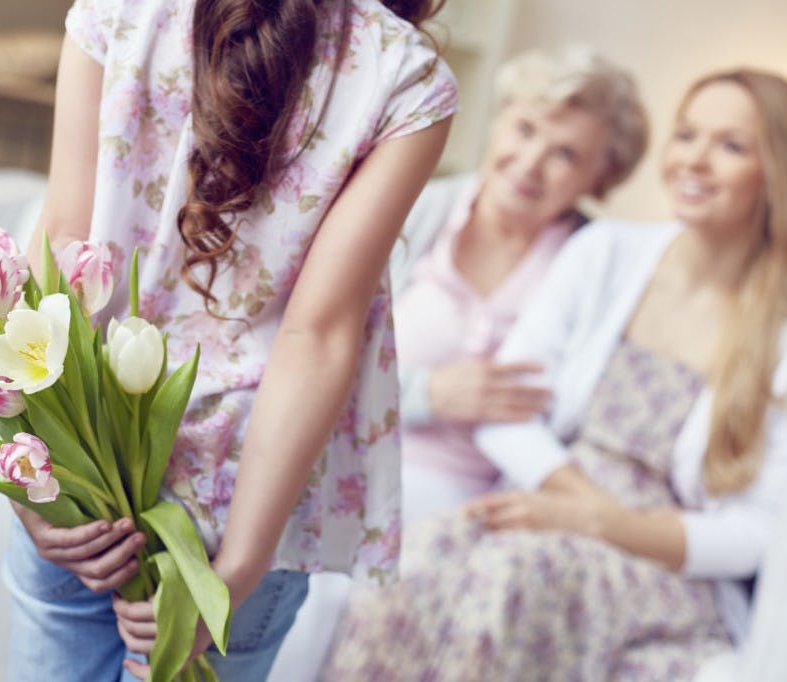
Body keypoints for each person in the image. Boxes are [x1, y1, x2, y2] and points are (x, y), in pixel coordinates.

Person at [324, 68, 787, 681]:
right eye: (687, 135)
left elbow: (758, 530)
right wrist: (582, 505)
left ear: (776, 172)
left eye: (730, 146)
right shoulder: (607, 254)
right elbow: (509, 418)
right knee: (402, 569)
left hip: (663, 560)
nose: (695, 161)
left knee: (511, 582)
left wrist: (608, 524)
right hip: (554, 505)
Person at [4, 0, 458, 680]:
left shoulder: (120, 9)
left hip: (82, 460)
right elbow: (317, 335)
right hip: (243, 502)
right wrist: (237, 570)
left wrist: (27, 473)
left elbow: (59, 246)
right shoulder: (405, 74)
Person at [267, 47, 647, 681]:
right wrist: (428, 394)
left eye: (565, 154)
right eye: (525, 129)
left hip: (475, 501)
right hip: (355, 460)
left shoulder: (596, 267)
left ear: (599, 178)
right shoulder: (415, 208)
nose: (530, 163)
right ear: (497, 122)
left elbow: (587, 411)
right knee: (316, 585)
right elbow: (308, 342)